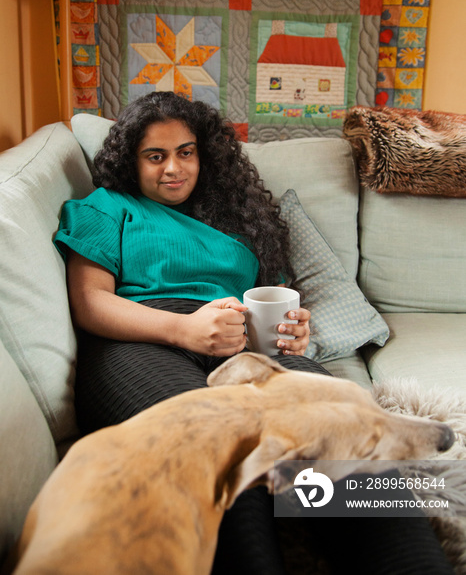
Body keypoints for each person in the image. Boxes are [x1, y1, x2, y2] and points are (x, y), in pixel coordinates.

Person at [54, 91, 453, 575]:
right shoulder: (107, 206)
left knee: (341, 441)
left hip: (236, 340)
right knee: (216, 447)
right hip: (140, 338)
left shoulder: (236, 216)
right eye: (154, 156)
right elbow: (90, 301)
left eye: (185, 152)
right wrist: (183, 329)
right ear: (130, 161)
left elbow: (269, 300)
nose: (173, 168)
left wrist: (293, 332)